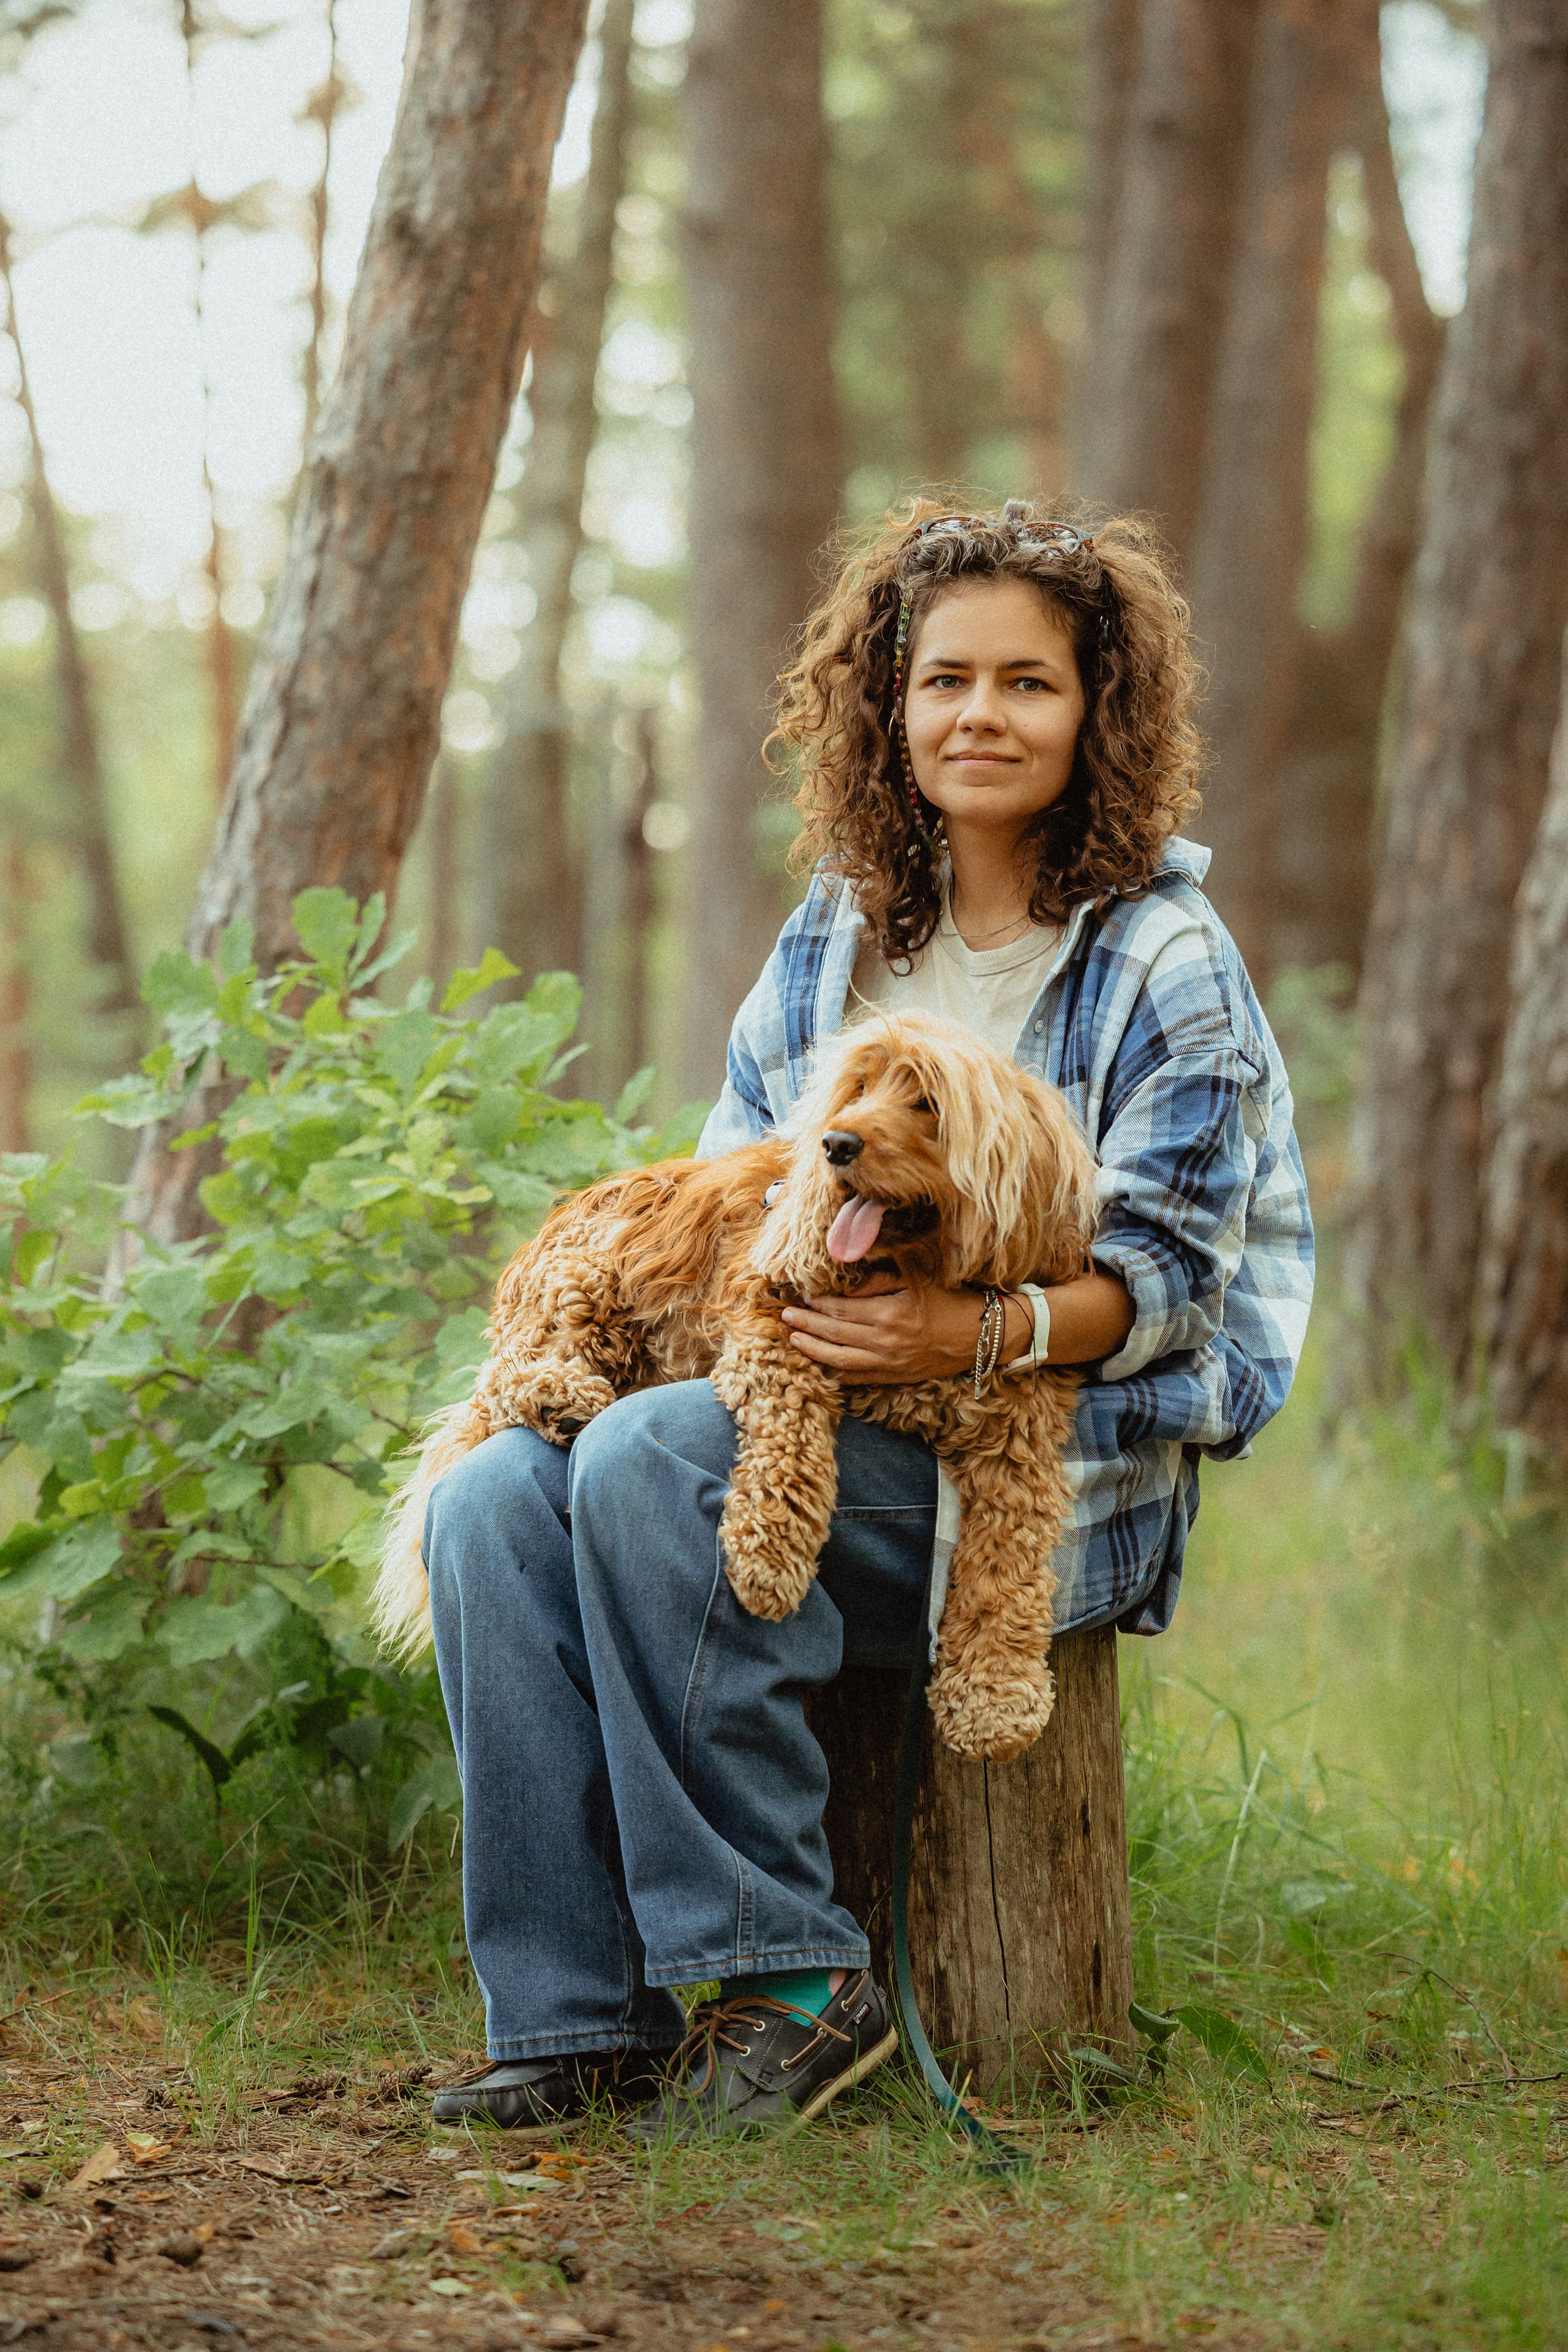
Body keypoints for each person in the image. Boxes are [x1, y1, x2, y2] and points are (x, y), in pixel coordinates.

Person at [421, 501, 1313, 2143]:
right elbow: (736, 1201)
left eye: (1030, 684)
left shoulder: (1163, 959)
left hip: (1047, 1473)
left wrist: (964, 1340)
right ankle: (573, 2014)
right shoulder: (838, 929)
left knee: (650, 1463)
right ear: (888, 706)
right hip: (800, 1414)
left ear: (1097, 711)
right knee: (487, 1495)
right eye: (946, 678)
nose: (982, 715)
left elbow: (1172, 1286)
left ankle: (793, 1983)